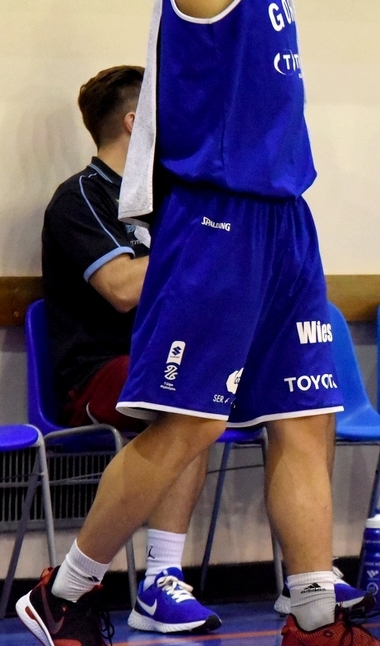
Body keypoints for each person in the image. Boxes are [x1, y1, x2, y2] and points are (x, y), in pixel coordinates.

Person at [18, 0, 380, 646]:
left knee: (305, 418)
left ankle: (313, 613)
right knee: (185, 428)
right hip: (219, 222)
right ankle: (64, 592)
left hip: (284, 220)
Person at [42, 65, 220, 634]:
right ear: (134, 121)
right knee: (188, 397)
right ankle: (154, 580)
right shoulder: (79, 198)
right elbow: (121, 288)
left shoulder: (171, 197)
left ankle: (311, 580)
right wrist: (199, 246)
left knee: (251, 393)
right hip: (96, 374)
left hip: (170, 359)